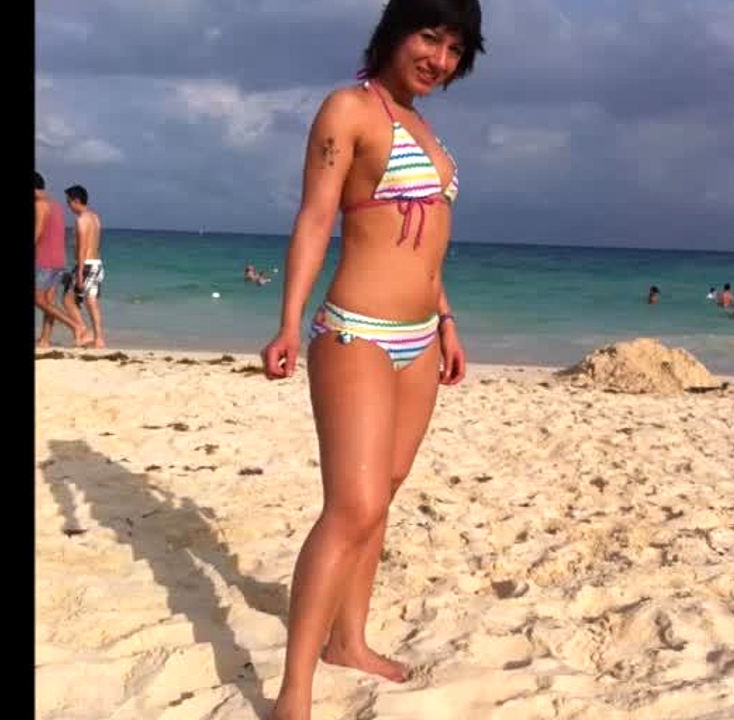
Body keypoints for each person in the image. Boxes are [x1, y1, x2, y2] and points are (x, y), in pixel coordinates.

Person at [259, 1, 482, 716]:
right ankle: (294, 691)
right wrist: (287, 322)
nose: (439, 58)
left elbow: (423, 244)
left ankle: (348, 641)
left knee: (381, 495)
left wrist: (446, 321)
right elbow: (316, 217)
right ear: (393, 33)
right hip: (356, 332)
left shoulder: (425, 128)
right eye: (429, 37)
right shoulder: (349, 109)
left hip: (421, 339)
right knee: (351, 506)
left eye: (455, 48)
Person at [35, 172, 89, 347]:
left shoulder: (40, 205)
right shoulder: (56, 206)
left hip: (45, 260)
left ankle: (76, 326)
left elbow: (37, 233)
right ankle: (45, 339)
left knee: (39, 299)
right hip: (58, 260)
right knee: (49, 302)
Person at [61, 185, 107, 349]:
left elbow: (82, 248)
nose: (68, 206)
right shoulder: (95, 218)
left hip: (86, 265)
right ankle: (96, 337)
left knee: (69, 300)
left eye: (68, 202)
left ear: (76, 201)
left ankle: (86, 332)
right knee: (89, 301)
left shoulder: (81, 220)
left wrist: (79, 272)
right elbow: (95, 244)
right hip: (96, 263)